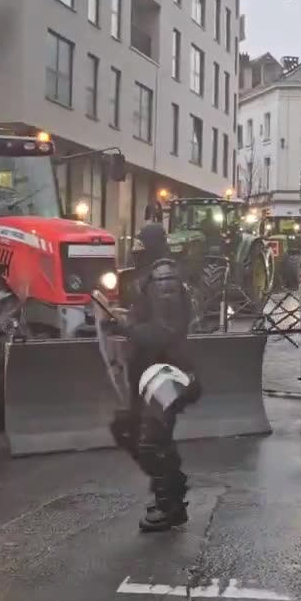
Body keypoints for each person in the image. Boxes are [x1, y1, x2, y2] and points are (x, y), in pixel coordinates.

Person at [108, 223, 200, 532]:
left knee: (151, 441)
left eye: (141, 244)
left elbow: (166, 329)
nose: (136, 249)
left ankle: (169, 505)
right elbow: (148, 318)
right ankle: (173, 494)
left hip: (166, 371)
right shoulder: (151, 276)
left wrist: (128, 329)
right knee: (130, 431)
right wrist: (122, 318)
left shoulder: (163, 276)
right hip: (151, 370)